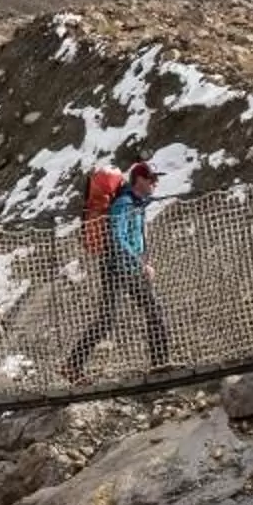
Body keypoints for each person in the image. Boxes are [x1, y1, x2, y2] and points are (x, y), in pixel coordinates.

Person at [62, 161, 175, 382]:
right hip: (116, 268)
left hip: (130, 267)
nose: (156, 183)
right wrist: (140, 263)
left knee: (153, 312)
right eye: (152, 178)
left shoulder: (137, 203)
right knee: (109, 319)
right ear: (139, 180)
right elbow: (117, 237)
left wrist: (142, 261)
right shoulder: (124, 204)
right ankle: (72, 366)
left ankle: (161, 363)